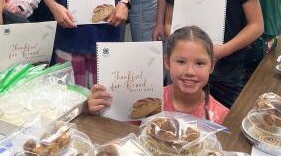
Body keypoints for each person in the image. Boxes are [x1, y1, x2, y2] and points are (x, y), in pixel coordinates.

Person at [88, 26, 229, 124]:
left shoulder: (221, 117)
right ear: (167, 62)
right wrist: (98, 110)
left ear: (212, 65)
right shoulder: (146, 101)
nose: (190, 72)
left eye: (199, 63)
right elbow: (118, 131)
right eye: (181, 61)